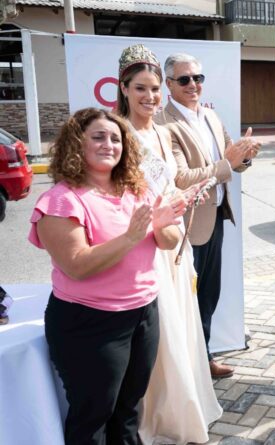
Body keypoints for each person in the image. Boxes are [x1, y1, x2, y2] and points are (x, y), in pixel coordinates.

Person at [29, 107, 186, 444]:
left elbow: (168, 240)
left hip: (143, 313)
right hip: (90, 324)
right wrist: (130, 236)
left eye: (116, 138)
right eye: (98, 137)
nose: (109, 144)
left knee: (129, 408)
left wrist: (161, 224)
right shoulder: (60, 201)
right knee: (94, 415)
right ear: (76, 144)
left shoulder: (137, 189)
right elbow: (77, 264)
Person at [116, 44, 223, 444]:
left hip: (174, 243)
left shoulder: (161, 131)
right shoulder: (117, 133)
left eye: (156, 89)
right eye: (141, 88)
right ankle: (154, 416)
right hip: (142, 248)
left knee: (180, 323)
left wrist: (188, 197)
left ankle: (182, 407)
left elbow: (173, 183)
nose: (149, 97)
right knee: (157, 336)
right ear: (123, 88)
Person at [155, 53, 260, 378]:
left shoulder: (211, 117)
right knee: (184, 299)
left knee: (209, 293)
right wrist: (229, 162)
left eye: (198, 78)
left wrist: (246, 155)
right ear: (169, 84)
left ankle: (205, 356)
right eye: (185, 79)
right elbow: (181, 179)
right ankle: (184, 368)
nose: (193, 85)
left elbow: (232, 159)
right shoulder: (162, 123)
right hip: (183, 226)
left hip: (214, 218)